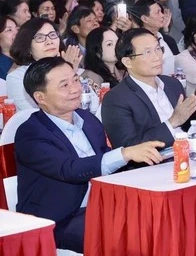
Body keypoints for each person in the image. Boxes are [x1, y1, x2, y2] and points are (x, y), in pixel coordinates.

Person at [15, 57, 165, 253]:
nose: (75, 89)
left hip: (102, 206)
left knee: (158, 218)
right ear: (40, 97)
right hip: (60, 220)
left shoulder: (87, 119)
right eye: (64, 85)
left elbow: (105, 162)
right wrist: (125, 153)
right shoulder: (31, 133)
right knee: (126, 235)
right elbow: (69, 169)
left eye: (76, 80)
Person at [101, 29, 196, 153]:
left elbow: (181, 127)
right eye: (147, 52)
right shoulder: (116, 99)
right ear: (128, 62)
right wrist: (173, 122)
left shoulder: (173, 84)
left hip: (187, 155)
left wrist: (193, 122)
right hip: (154, 163)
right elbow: (128, 148)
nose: (157, 57)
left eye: (158, 49)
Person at [8, 18, 82, 111]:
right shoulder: (16, 78)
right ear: (28, 47)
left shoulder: (68, 65)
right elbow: (37, 113)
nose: (49, 41)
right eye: (40, 38)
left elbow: (89, 102)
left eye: (53, 35)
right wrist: (65, 73)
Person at [130, 0, 177, 74]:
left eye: (161, 12)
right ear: (145, 19)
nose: (162, 15)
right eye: (158, 12)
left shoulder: (168, 40)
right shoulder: (137, 44)